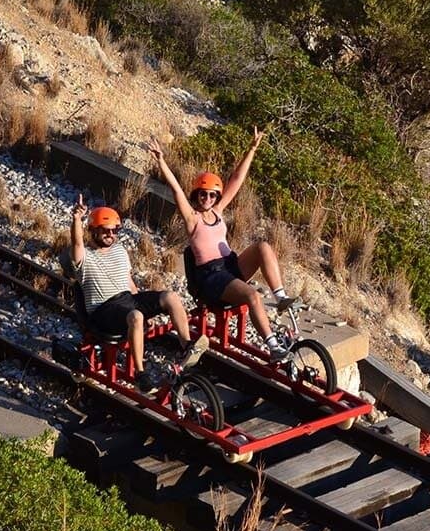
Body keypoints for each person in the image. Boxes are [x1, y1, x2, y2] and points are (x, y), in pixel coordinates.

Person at [147, 128, 296, 361]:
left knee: (263, 247)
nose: (208, 199)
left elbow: (237, 180)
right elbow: (176, 189)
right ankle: (274, 347)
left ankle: (280, 298)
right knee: (253, 296)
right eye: (203, 195)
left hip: (230, 266)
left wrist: (252, 149)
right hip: (211, 278)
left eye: (212, 195)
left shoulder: (218, 211)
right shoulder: (192, 218)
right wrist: (161, 161)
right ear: (196, 196)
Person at [70, 194, 208, 392]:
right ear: (93, 231)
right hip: (103, 310)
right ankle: (140, 374)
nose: (110, 234)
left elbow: (129, 283)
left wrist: (146, 308)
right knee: (135, 316)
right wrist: (76, 220)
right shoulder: (84, 258)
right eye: (105, 231)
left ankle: (187, 347)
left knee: (170, 297)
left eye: (114, 230)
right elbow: (76, 244)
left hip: (127, 300)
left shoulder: (119, 251)